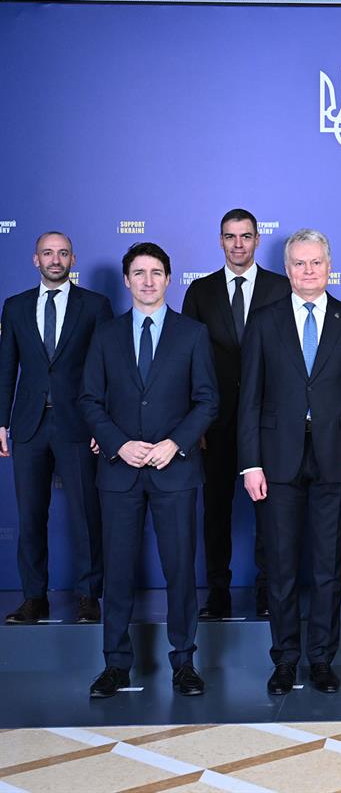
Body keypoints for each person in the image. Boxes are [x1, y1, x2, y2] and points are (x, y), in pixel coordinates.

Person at [239, 228, 341, 696]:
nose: (308, 271)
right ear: (287, 268)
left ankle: (321, 659)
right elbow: (249, 400)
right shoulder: (263, 320)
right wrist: (250, 463)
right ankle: (284, 660)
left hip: (337, 463)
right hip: (276, 462)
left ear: (329, 265)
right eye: (299, 263)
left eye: (316, 262)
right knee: (279, 567)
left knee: (327, 567)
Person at [79, 242, 218, 698]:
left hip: (174, 470)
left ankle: (184, 663)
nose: (147, 280)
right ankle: (116, 665)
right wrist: (120, 445)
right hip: (120, 470)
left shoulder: (192, 333)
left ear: (169, 278)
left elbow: (207, 401)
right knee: (117, 571)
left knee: (180, 570)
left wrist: (173, 444)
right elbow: (89, 401)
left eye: (156, 272)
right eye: (138, 273)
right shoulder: (105, 335)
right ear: (126, 280)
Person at [182, 208, 290, 620]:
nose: (239, 244)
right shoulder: (200, 291)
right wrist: (195, 424)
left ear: (258, 239)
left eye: (246, 236)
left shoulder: (282, 288)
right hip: (215, 422)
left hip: (271, 421)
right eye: (230, 236)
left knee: (273, 510)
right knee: (216, 509)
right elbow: (186, 360)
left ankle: (268, 592)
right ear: (220, 240)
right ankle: (218, 592)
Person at [0, 232, 111, 625]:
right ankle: (34, 598)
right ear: (36, 260)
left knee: (86, 515)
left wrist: (104, 424)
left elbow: (105, 369)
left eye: (62, 253)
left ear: (72, 259)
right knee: (30, 517)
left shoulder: (95, 306)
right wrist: (1, 421)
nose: (55, 259)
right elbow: (6, 367)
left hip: (78, 424)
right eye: (48, 253)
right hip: (28, 425)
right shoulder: (14, 307)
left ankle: (87, 596)